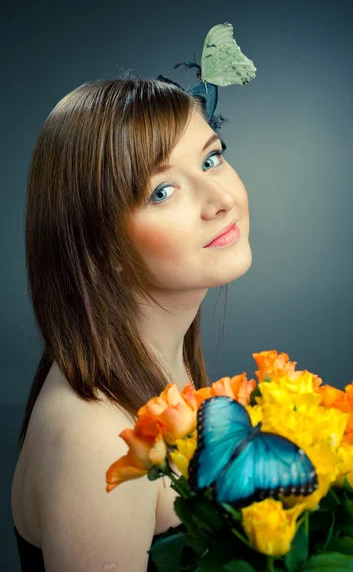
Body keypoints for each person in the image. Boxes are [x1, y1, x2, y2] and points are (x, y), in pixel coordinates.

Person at [10, 76, 252, 571]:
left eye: (211, 158)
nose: (219, 198)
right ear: (99, 245)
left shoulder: (161, 355)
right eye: (163, 191)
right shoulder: (100, 439)